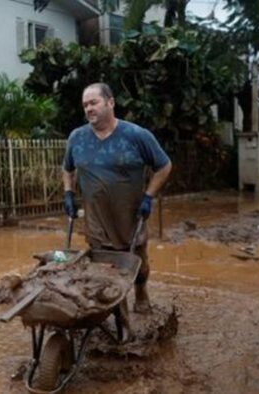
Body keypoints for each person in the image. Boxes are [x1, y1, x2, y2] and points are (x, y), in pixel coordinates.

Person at [62, 82, 172, 313]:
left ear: (110, 102)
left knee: (138, 264)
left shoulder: (136, 135)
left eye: (94, 102)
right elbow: (67, 168)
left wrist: (148, 196)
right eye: (85, 105)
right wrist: (68, 193)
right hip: (96, 220)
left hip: (130, 216)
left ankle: (141, 293)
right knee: (102, 267)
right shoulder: (77, 138)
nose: (89, 109)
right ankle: (116, 309)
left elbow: (164, 166)